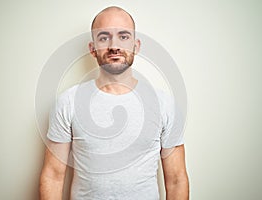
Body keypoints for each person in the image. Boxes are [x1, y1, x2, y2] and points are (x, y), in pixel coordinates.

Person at [39, 6, 189, 200]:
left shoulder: (164, 104)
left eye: (123, 36)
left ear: (136, 46)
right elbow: (53, 176)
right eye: (104, 37)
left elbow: (177, 179)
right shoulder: (67, 102)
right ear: (92, 49)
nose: (114, 46)